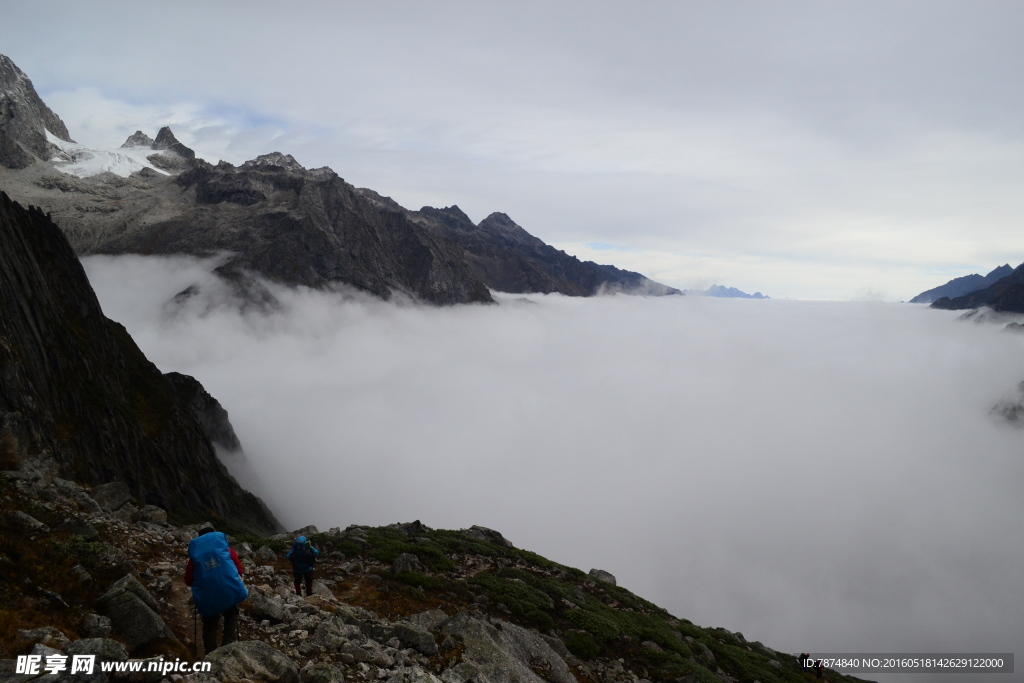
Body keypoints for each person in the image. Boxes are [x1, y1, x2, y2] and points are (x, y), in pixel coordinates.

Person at [184, 524, 248, 655]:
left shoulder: (196, 557)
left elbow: (188, 580)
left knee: (209, 624)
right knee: (231, 614)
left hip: (208, 595)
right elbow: (239, 570)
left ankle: (210, 654)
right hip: (227, 590)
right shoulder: (226, 549)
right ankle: (228, 644)